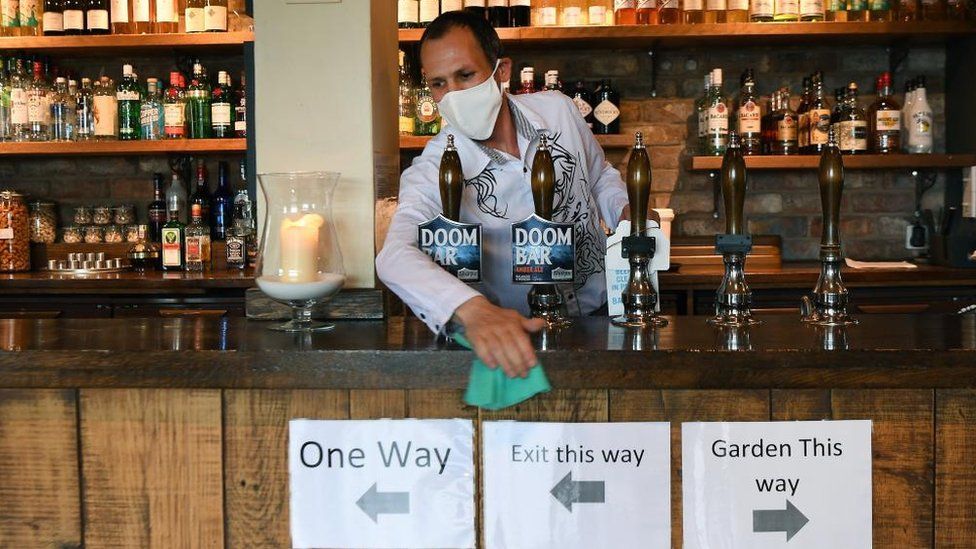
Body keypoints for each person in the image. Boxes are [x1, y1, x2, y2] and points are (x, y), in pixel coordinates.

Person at [376, 11, 633, 380]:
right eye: (438, 83)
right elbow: (395, 256)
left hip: (602, 318)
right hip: (520, 339)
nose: (453, 95)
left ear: (501, 71)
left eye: (465, 75)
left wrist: (626, 212)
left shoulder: (558, 110)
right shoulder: (437, 164)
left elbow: (598, 175)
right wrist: (472, 309)